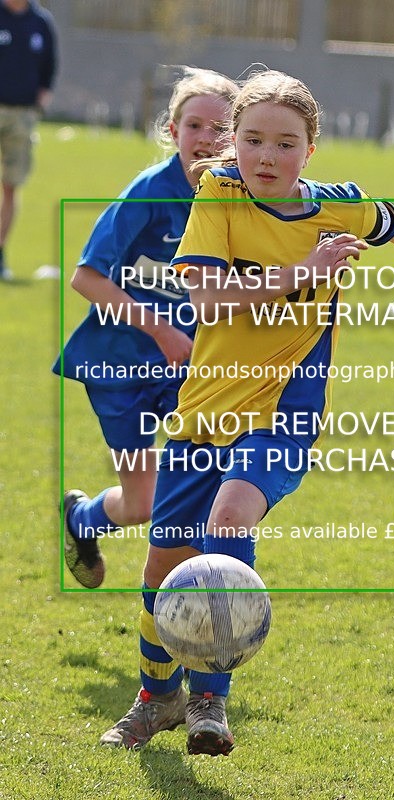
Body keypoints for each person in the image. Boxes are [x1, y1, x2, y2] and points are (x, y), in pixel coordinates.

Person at [100, 69, 394, 755]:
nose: (267, 156)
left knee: (229, 520)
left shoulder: (338, 209)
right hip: (206, 411)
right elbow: (208, 301)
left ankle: (210, 702)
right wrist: (306, 271)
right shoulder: (221, 196)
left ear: (311, 150)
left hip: (282, 414)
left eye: (285, 143)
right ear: (233, 143)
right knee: (162, 569)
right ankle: (157, 698)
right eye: (254, 139)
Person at [53, 68, 238, 589]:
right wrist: (161, 331)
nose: (205, 139)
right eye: (194, 125)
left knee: (204, 489)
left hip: (189, 372)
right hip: (122, 369)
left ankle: (193, 604)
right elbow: (85, 277)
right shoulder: (148, 192)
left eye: (219, 129)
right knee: (144, 503)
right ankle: (81, 519)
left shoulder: (238, 198)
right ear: (173, 130)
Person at [0, 0, 57, 279]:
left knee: (11, 186)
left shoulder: (41, 22)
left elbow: (49, 68)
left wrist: (40, 101)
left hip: (23, 116)